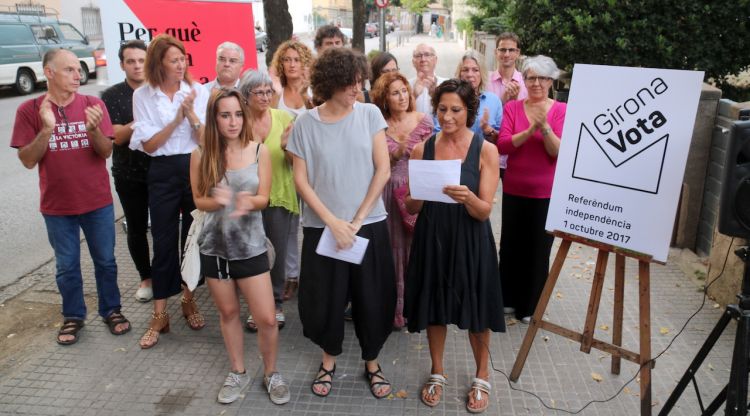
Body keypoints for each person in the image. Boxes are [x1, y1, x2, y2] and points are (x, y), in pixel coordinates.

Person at [287, 47, 396, 399]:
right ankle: (328, 360)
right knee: (326, 300)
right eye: (351, 82)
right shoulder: (305, 124)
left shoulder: (369, 114)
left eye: (360, 81)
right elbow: (301, 181)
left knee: (372, 297)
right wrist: (333, 222)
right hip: (323, 230)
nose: (358, 88)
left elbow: (383, 169)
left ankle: (372, 362)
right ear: (331, 82)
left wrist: (357, 219)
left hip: (368, 224)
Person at [11, 49, 130, 345]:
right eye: (69, 70)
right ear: (49, 72)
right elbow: (27, 159)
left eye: (79, 70)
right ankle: (74, 315)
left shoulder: (92, 104)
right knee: (67, 266)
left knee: (105, 261)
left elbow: (106, 152)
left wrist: (93, 131)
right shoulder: (30, 109)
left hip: (97, 201)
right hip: (57, 206)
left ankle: (111, 310)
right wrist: (47, 130)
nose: (78, 76)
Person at [404, 79, 504, 414]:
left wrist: (468, 197)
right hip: (433, 237)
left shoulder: (485, 150)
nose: (447, 117)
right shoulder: (423, 148)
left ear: (470, 111)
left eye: (455, 110)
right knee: (434, 305)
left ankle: (482, 375)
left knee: (476, 309)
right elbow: (412, 207)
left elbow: (485, 210)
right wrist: (416, 195)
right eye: (442, 109)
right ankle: (437, 371)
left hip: (470, 239)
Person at [189, 88, 290, 405]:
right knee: (229, 312)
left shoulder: (259, 150)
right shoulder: (201, 154)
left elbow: (264, 197)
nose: (232, 122)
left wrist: (245, 201)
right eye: (224, 115)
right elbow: (198, 200)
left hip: (251, 246)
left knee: (267, 318)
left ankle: (271, 372)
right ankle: (238, 371)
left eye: (236, 114)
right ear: (214, 118)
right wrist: (217, 201)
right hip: (215, 248)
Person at [130, 34, 209, 349]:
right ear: (158, 63)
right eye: (174, 60)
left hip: (194, 165)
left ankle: (188, 298)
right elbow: (149, 144)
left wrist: (190, 115)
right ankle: (159, 313)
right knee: (163, 240)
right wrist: (177, 117)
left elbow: (204, 139)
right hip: (161, 171)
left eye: (183, 59)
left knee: (192, 238)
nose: (181, 64)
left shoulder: (197, 91)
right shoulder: (143, 96)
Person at [496, 55, 565, 324]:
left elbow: (556, 152)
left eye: (542, 78)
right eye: (531, 77)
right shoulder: (513, 108)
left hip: (545, 193)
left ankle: (531, 305)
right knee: (511, 245)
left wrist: (544, 127)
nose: (536, 83)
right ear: (524, 80)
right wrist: (529, 131)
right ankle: (507, 298)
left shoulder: (561, 110)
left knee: (538, 249)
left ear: (551, 81)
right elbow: (503, 145)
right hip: (514, 189)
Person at [370, 71, 432, 330]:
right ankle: (392, 310)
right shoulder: (378, 125)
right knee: (390, 250)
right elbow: (374, 163)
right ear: (384, 98)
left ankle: (416, 307)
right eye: (395, 92)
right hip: (386, 193)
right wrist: (394, 155)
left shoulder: (423, 121)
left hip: (415, 192)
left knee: (416, 248)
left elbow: (431, 160)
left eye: (404, 90)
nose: (402, 96)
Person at [240, 70, 296, 332]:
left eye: (268, 92)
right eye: (258, 92)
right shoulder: (238, 123)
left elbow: (295, 164)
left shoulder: (284, 118)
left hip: (279, 195)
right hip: (248, 198)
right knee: (252, 252)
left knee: (277, 252)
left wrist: (286, 147)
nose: (265, 97)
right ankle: (255, 305)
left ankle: (274, 303)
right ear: (245, 96)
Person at [101, 40, 153, 303]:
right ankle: (146, 277)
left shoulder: (160, 90)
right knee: (136, 228)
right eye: (130, 61)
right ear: (122, 64)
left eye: (141, 60)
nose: (136, 66)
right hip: (128, 174)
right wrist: (143, 119)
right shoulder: (110, 95)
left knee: (166, 228)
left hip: (161, 173)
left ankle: (170, 275)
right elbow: (117, 137)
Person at [269, 40, 315, 306]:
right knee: (287, 225)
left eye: (297, 59)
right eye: (287, 60)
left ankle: (308, 275)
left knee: (311, 221)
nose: (292, 64)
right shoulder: (277, 94)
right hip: (284, 165)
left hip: (311, 166)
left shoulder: (313, 92)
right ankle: (290, 275)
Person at [453, 50, 503, 157]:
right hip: (456, 159)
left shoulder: (493, 101)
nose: (470, 75)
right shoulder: (450, 99)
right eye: (465, 70)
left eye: (475, 70)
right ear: (459, 73)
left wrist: (487, 129)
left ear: (482, 73)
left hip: (486, 161)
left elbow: (502, 142)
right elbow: (438, 133)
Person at [487, 32, 527, 105]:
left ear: (518, 53)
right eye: (502, 50)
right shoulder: (485, 80)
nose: (506, 54)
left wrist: (514, 102)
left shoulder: (526, 82)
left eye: (511, 50)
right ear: (496, 52)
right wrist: (502, 101)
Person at [409, 44, 446, 117]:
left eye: (427, 55)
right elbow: (401, 115)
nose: (423, 59)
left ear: (435, 60)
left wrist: (435, 95)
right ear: (413, 62)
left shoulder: (446, 84)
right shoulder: (405, 85)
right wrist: (414, 95)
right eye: (418, 56)